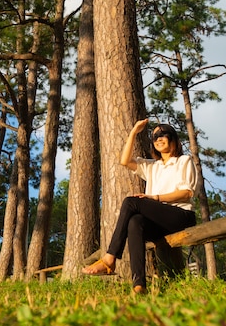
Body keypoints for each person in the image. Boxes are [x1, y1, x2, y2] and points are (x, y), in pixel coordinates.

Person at [81, 118, 198, 294]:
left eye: (163, 134)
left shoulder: (184, 161)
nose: (158, 138)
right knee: (135, 221)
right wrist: (134, 132)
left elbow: (187, 193)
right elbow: (124, 161)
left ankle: (110, 258)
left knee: (131, 202)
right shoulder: (153, 166)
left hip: (181, 216)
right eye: (155, 136)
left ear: (173, 139)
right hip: (161, 224)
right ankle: (139, 286)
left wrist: (155, 198)